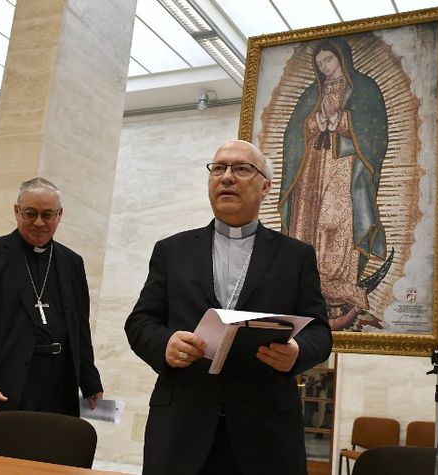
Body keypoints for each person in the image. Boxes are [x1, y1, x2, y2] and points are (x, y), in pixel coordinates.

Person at [125, 140, 332, 475]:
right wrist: (166, 344)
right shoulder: (171, 250)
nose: (226, 177)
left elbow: (321, 331)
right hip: (182, 425)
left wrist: (297, 352)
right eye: (218, 168)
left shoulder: (296, 256)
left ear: (265, 186)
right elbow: (140, 322)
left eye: (241, 168)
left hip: (265, 431)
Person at [0, 177, 103, 426]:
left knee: (51, 460)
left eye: (47, 215)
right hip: (4, 387)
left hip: (59, 387)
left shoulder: (72, 262)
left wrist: (89, 379)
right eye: (30, 214)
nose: (39, 223)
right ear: (16, 211)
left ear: (60, 215)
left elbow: (79, 329)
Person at [279, 37, 390, 330]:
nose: (324, 67)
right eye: (319, 64)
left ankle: (339, 284)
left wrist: (342, 122)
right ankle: (312, 284)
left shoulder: (364, 89)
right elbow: (293, 135)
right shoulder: (311, 94)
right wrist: (314, 124)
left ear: (341, 57)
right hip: (312, 170)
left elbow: (375, 132)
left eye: (328, 60)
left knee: (337, 222)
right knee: (309, 224)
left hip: (345, 167)